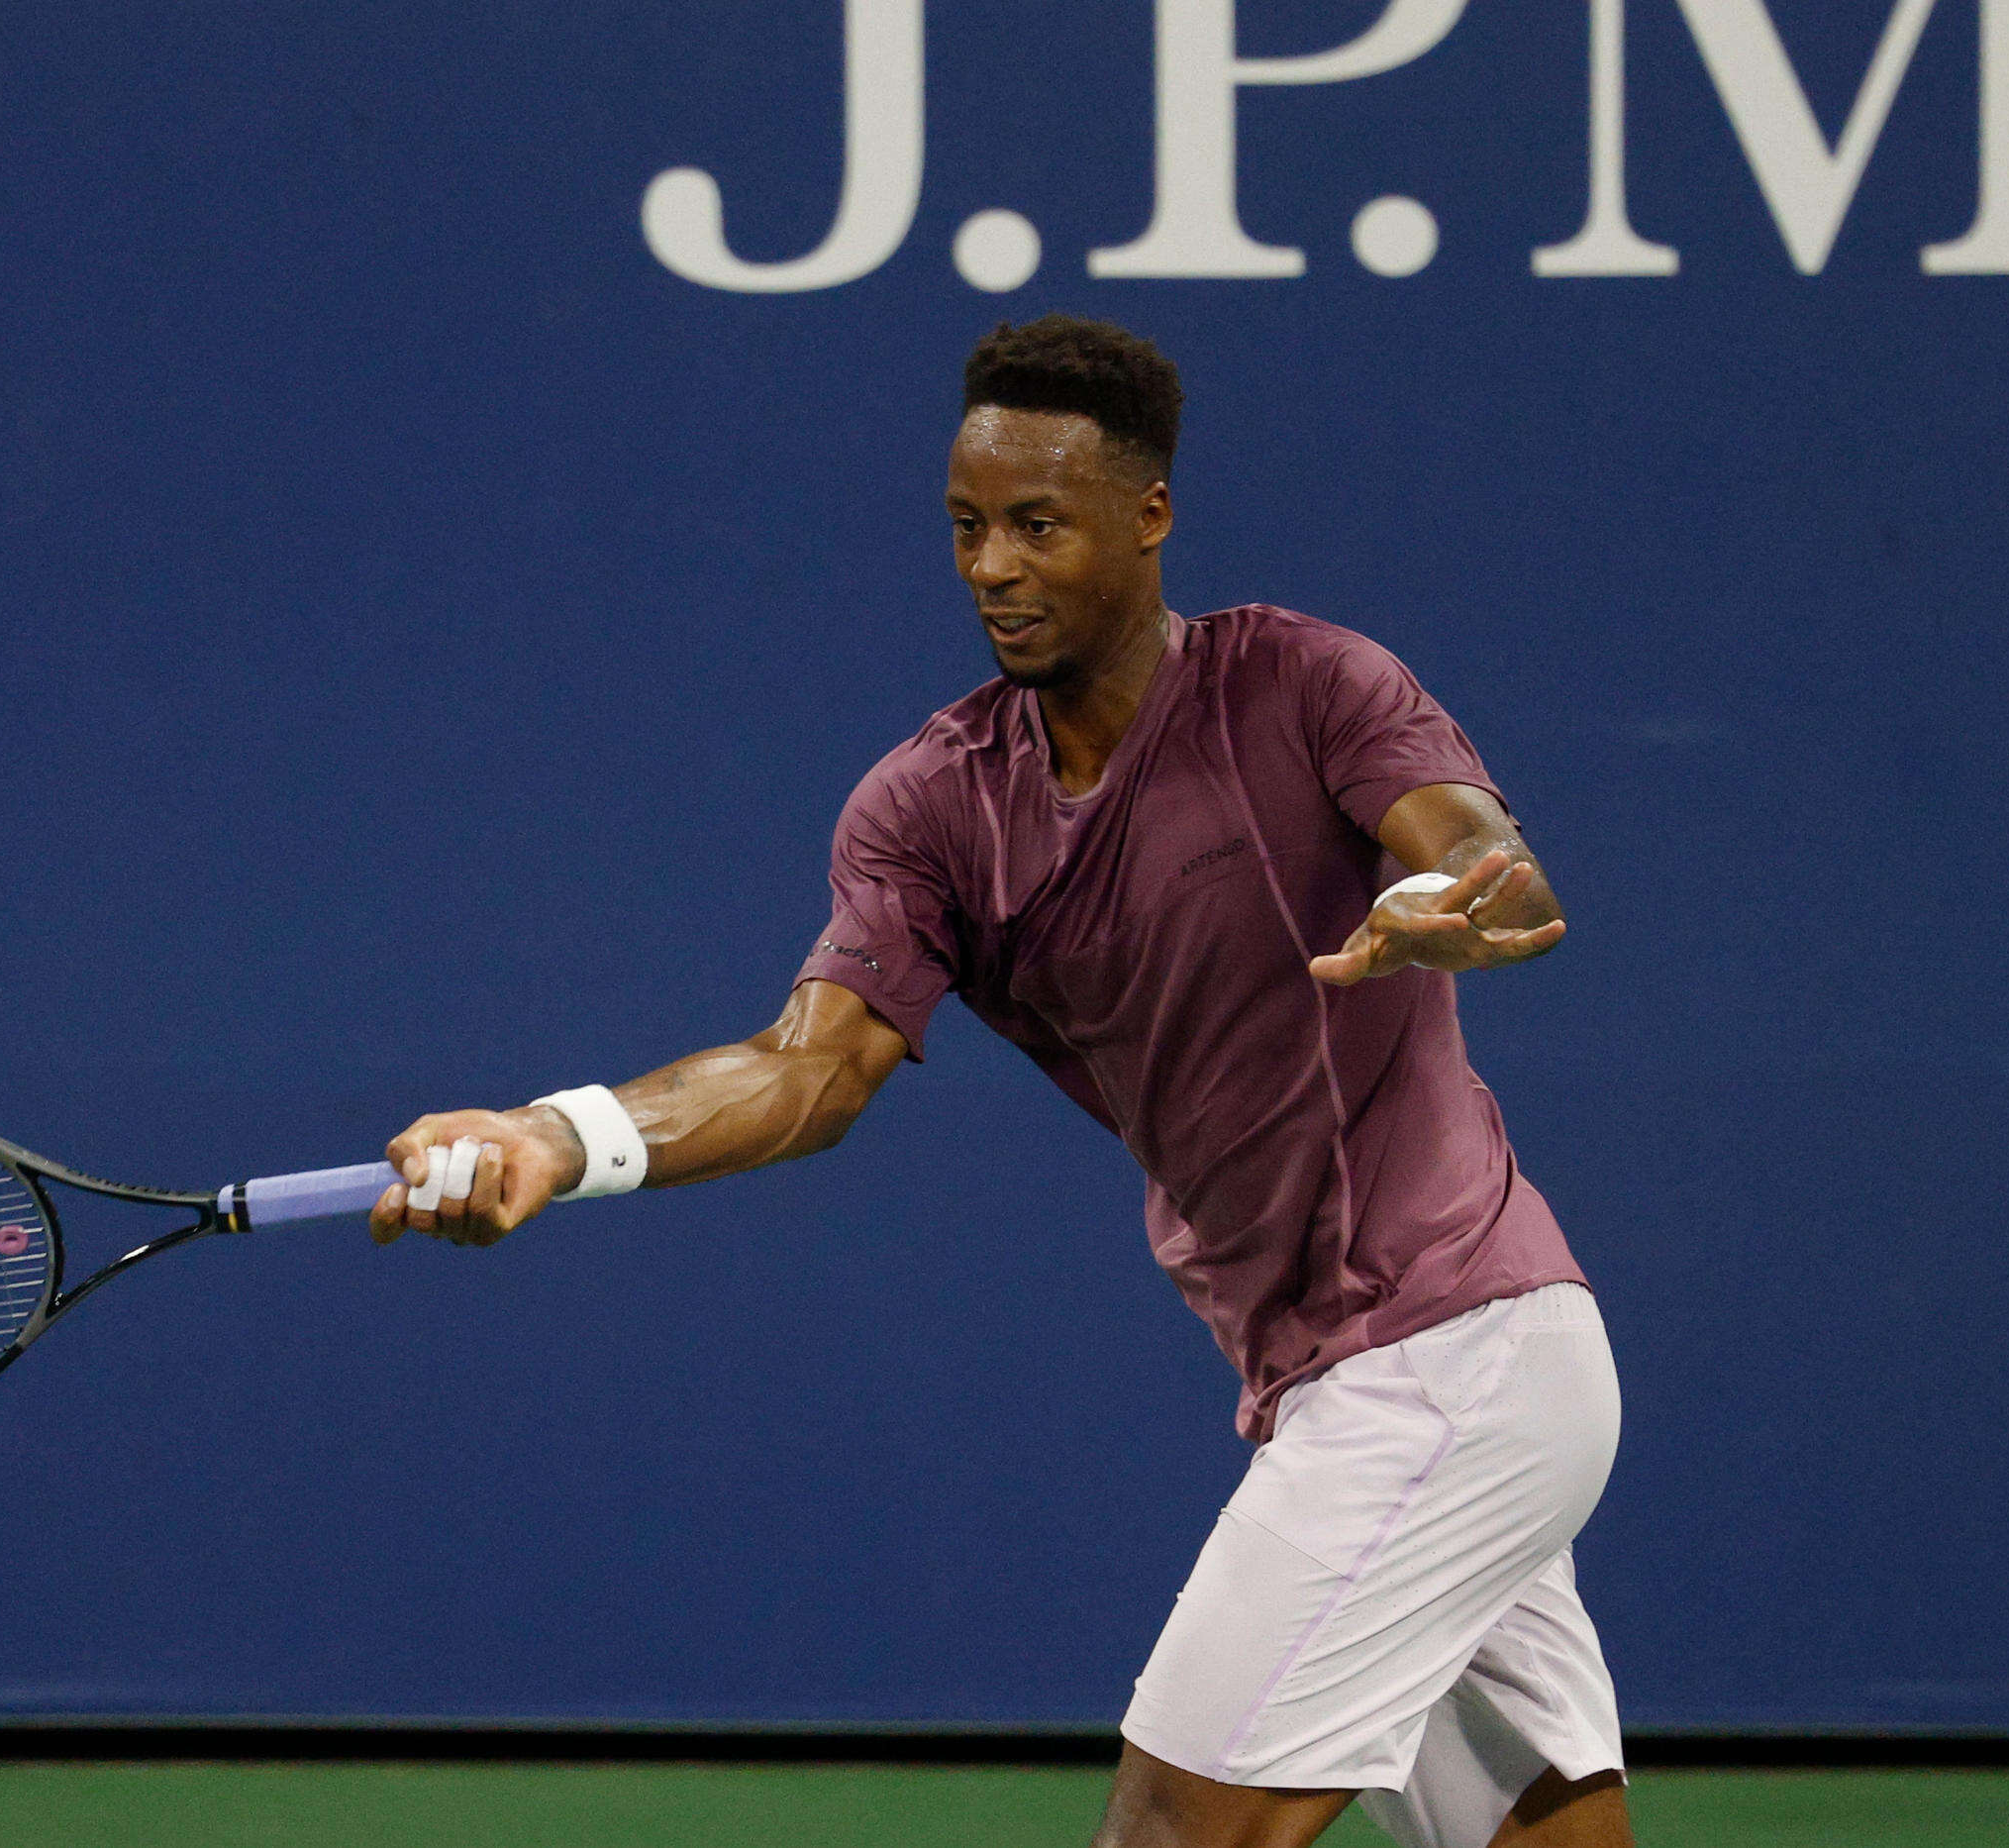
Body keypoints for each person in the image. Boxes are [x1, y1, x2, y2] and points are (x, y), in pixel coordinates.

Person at [367, 315, 1630, 1848]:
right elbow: (807, 1069)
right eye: (967, 528)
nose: (993, 567)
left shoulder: (1305, 686)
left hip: (1450, 1355)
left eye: (1039, 525)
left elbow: (1492, 862)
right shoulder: (935, 806)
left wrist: (1457, 898)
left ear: (1148, 516)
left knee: (1166, 1831)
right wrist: (552, 1139)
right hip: (1365, 1378)